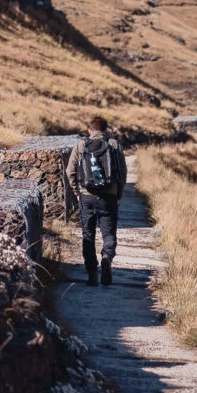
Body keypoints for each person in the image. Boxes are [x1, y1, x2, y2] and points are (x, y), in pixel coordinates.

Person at [66, 116, 127, 286]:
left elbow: (70, 170)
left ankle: (92, 273)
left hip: (87, 196)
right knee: (108, 233)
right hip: (109, 197)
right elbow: (122, 173)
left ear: (89, 131)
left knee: (88, 234)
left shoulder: (81, 145)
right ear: (106, 131)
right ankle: (106, 257)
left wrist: (77, 191)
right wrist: (119, 194)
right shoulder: (114, 145)